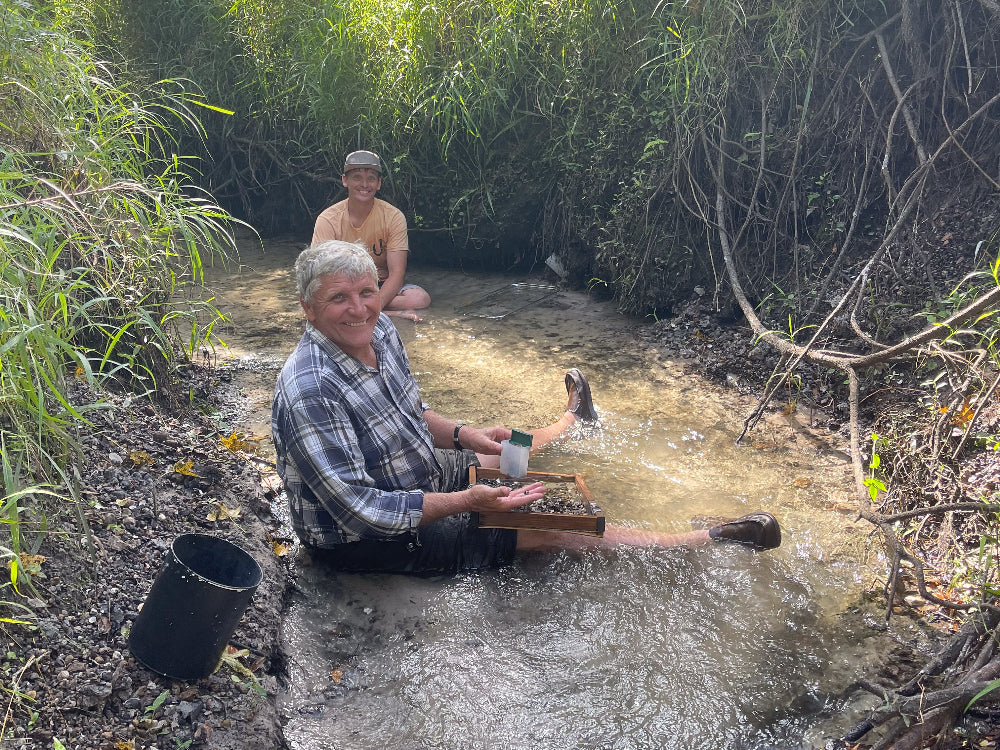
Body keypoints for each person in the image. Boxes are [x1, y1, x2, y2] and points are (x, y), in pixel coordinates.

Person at [271, 240, 782, 575]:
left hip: (412, 472)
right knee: (545, 525)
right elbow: (362, 512)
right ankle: (706, 539)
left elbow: (407, 411)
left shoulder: (378, 328)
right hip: (365, 540)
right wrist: (469, 501)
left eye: (366, 291)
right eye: (340, 298)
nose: (359, 308)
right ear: (308, 309)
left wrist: (466, 435)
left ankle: (569, 422)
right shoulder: (309, 388)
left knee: (507, 455)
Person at [311, 149, 431, 322]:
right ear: (345, 180)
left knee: (420, 299)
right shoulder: (328, 219)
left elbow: (397, 273)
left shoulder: (393, 217)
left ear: (379, 183)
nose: (364, 184)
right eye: (357, 177)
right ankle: (384, 312)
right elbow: (320, 273)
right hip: (344, 286)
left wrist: (374, 304)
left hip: (379, 284)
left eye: (371, 179)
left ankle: (367, 309)